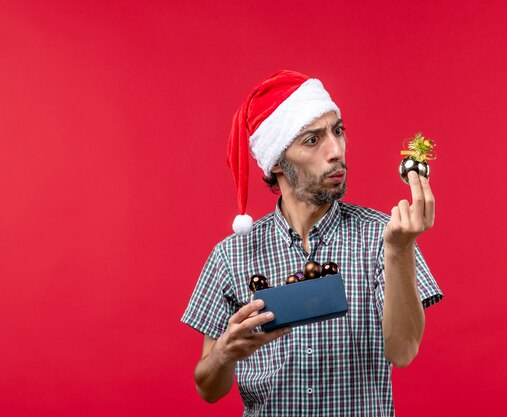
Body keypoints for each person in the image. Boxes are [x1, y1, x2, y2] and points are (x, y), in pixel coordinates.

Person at [181, 70, 443, 416]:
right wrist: (223, 355)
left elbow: (404, 351)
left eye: (338, 131)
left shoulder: (385, 236)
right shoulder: (231, 256)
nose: (336, 151)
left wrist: (399, 250)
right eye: (312, 140)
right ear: (276, 162)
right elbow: (207, 388)